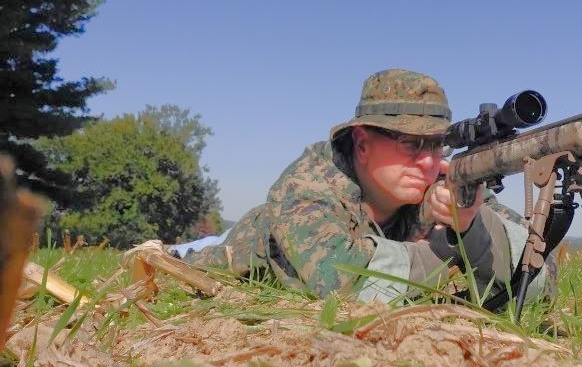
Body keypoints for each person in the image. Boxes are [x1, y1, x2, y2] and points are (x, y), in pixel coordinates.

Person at [184, 69, 555, 305]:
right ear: (362, 143)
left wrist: (472, 228)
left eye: (437, 144)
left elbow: (541, 277)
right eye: (410, 143)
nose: (428, 162)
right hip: (244, 246)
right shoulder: (306, 184)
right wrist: (449, 253)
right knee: (192, 251)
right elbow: (345, 285)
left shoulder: (446, 181)